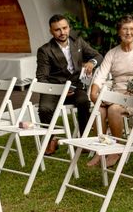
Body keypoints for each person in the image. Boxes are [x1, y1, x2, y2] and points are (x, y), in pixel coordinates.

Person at [36, 14, 103, 155]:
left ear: (69, 27)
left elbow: (98, 56)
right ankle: (51, 139)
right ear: (51, 31)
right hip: (54, 88)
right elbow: (42, 77)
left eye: (64, 28)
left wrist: (92, 62)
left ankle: (84, 139)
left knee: (84, 101)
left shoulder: (78, 42)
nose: (62, 32)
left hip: (75, 86)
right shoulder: (45, 50)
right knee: (44, 108)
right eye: (57, 30)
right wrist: (59, 91)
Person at [89, 15, 133, 167]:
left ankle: (116, 151)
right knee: (99, 110)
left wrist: (125, 95)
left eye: (132, 29)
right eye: (124, 29)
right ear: (118, 32)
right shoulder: (112, 53)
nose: (128, 32)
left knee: (114, 109)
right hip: (116, 95)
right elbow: (100, 76)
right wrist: (93, 92)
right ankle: (101, 149)